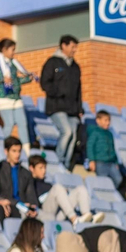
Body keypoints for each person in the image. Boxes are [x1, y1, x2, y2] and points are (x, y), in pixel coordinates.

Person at [39, 35, 83, 169]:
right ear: (63, 46)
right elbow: (44, 83)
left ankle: (66, 165)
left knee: (73, 137)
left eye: (76, 47)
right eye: (72, 46)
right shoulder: (52, 62)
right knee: (67, 132)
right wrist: (58, 93)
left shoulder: (75, 67)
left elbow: (78, 90)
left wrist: (79, 108)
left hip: (72, 110)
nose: (74, 50)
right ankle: (58, 162)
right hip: (56, 107)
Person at [0, 39, 34, 145]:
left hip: (15, 97)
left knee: (22, 123)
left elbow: (16, 81)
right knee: (9, 123)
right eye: (12, 50)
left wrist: (29, 78)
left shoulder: (13, 63)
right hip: (2, 96)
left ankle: (26, 150)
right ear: (4, 49)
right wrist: (1, 78)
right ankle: (2, 147)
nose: (14, 52)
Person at [27, 154, 98, 225]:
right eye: (41, 168)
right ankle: (74, 219)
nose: (44, 171)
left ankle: (87, 216)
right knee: (58, 188)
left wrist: (65, 193)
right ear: (31, 168)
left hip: (58, 215)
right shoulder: (30, 184)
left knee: (81, 189)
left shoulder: (48, 185)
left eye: (45, 167)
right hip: (44, 214)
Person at [85, 109, 124, 191]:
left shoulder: (110, 134)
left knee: (119, 179)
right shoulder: (95, 132)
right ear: (98, 120)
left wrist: (116, 162)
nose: (108, 122)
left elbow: (113, 149)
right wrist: (91, 160)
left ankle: (111, 192)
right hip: (100, 162)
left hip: (111, 163)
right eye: (105, 120)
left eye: (109, 120)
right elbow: (90, 146)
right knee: (102, 181)